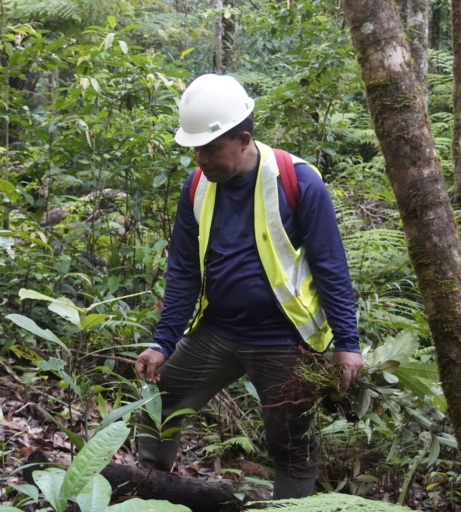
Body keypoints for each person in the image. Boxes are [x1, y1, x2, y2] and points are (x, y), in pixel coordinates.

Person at [135, 74, 364, 499]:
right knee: (159, 406)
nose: (200, 158)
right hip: (217, 332)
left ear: (243, 139)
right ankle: (146, 493)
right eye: (195, 148)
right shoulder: (196, 186)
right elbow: (183, 271)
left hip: (285, 340)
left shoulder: (298, 181)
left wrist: (347, 343)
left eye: (210, 148)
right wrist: (163, 342)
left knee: (291, 442)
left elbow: (331, 267)